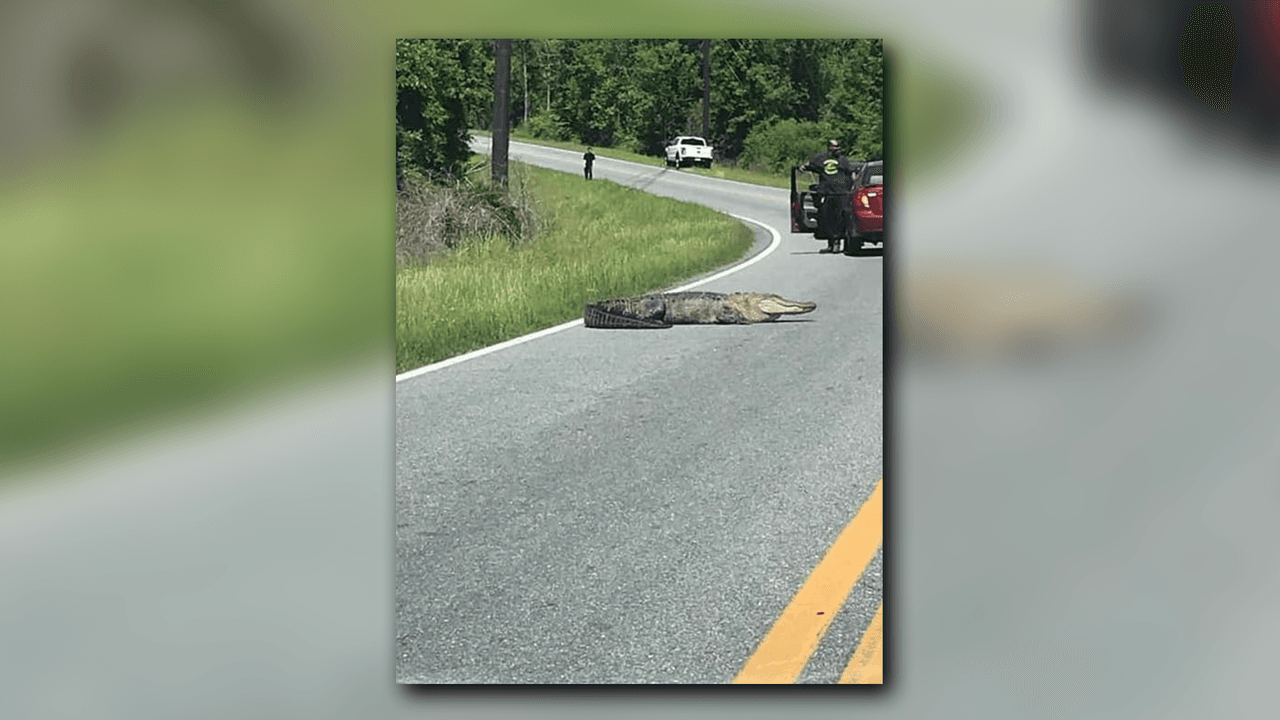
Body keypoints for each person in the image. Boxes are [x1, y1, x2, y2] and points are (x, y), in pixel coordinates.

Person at [804, 139, 858, 253]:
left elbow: (852, 172)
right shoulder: (822, 159)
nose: (836, 149)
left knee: (841, 219)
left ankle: (840, 243)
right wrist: (804, 167)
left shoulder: (844, 160)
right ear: (829, 147)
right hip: (827, 193)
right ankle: (831, 243)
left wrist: (853, 187)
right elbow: (810, 165)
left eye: (838, 147)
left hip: (842, 193)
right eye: (834, 147)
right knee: (827, 219)